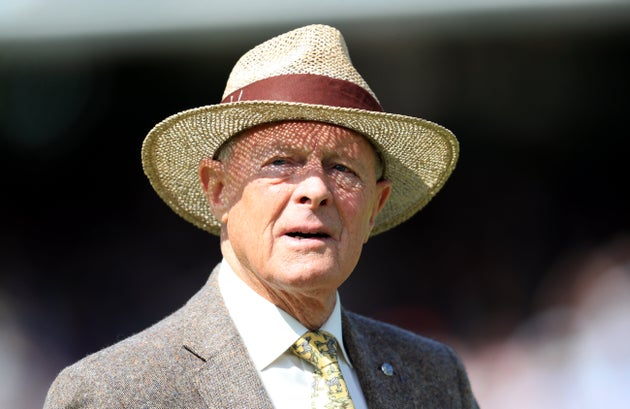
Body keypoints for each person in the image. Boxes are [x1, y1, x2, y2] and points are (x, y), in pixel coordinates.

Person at [44, 24, 479, 408]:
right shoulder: (112, 395)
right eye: (279, 163)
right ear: (217, 189)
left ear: (374, 208)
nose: (316, 190)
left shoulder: (434, 377)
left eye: (342, 169)